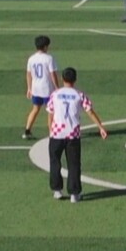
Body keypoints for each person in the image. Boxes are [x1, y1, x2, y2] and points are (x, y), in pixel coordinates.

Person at [45, 66, 107, 203]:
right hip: (73, 134)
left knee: (55, 161)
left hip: (56, 133)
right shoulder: (79, 95)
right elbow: (90, 111)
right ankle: (74, 193)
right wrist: (100, 127)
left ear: (62, 79)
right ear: (75, 79)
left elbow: (50, 114)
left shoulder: (55, 94)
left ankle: (57, 190)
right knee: (73, 164)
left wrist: (50, 130)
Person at [23, 35, 58, 140]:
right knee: (51, 111)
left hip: (36, 89)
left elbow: (28, 74)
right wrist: (57, 87)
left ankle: (27, 131)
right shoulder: (49, 58)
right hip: (47, 89)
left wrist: (29, 88)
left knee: (35, 109)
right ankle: (52, 134)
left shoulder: (31, 58)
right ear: (45, 46)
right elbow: (53, 74)